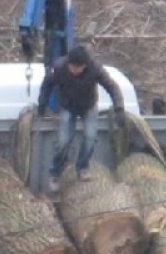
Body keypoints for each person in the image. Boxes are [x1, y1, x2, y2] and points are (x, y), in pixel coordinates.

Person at [37, 44, 125, 191]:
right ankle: (55, 173)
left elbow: (112, 87)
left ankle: (82, 168)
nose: (74, 71)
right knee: (63, 141)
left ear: (85, 66)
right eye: (72, 67)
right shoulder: (59, 67)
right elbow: (47, 85)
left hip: (88, 105)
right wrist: (42, 104)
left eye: (78, 68)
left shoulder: (95, 69)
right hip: (67, 106)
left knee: (90, 137)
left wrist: (119, 108)